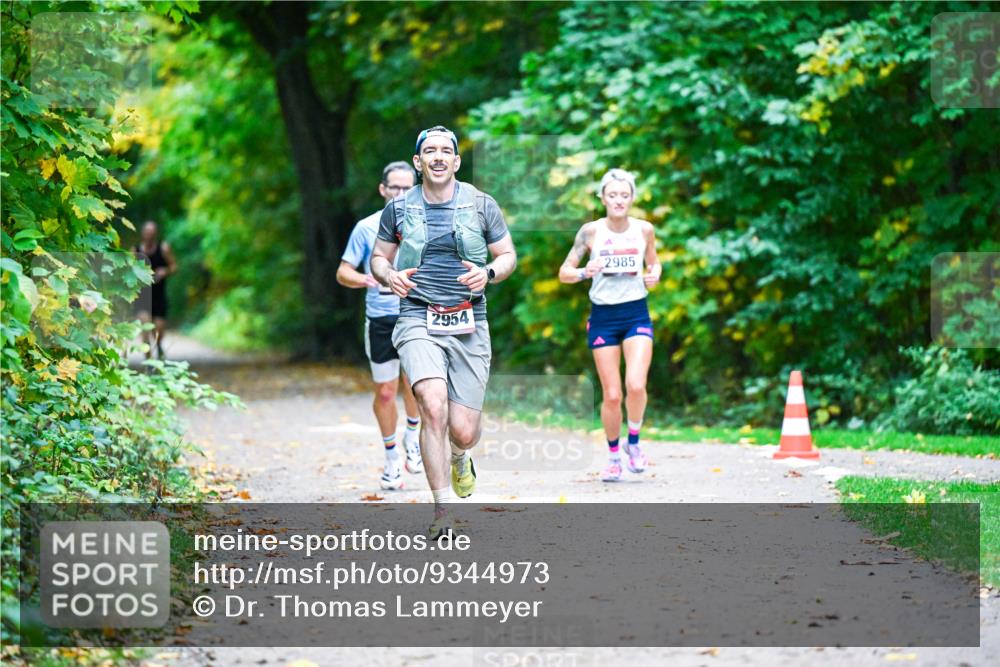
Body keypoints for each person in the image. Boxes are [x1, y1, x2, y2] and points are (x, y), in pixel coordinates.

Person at [370, 126, 516, 539]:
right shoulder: (398, 209)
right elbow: (380, 258)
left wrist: (487, 273)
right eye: (428, 151)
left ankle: (459, 455)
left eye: (445, 151)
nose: (437, 157)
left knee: (464, 430)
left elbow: (507, 255)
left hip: (469, 319)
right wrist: (389, 275)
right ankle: (442, 513)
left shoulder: (481, 204)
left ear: (455, 161)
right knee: (432, 405)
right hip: (417, 316)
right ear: (418, 162)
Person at [558, 168, 661, 482]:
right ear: (602, 197)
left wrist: (655, 273)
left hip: (636, 313)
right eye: (612, 195)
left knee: (636, 385)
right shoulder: (590, 232)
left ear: (632, 198)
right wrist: (585, 272)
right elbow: (564, 272)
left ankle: (635, 443)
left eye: (624, 195)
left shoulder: (644, 230)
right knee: (613, 394)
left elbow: (654, 262)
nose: (619, 200)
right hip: (603, 317)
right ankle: (614, 456)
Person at [337, 162, 424, 490]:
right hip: (381, 319)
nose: (401, 194)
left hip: (417, 315)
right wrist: (366, 278)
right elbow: (342, 272)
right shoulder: (366, 227)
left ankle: (412, 437)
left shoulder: (427, 224)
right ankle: (391, 462)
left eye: (407, 188)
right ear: (383, 190)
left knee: (417, 383)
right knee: (386, 392)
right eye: (395, 188)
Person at [134, 221, 177, 360]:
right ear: (143, 233)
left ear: (155, 234)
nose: (149, 235)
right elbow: (127, 269)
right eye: (147, 232)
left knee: (158, 332)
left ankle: (158, 348)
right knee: (146, 331)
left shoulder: (163, 248)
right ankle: (149, 363)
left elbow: (174, 266)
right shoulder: (135, 250)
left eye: (152, 232)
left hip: (159, 296)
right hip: (142, 296)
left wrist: (165, 271)